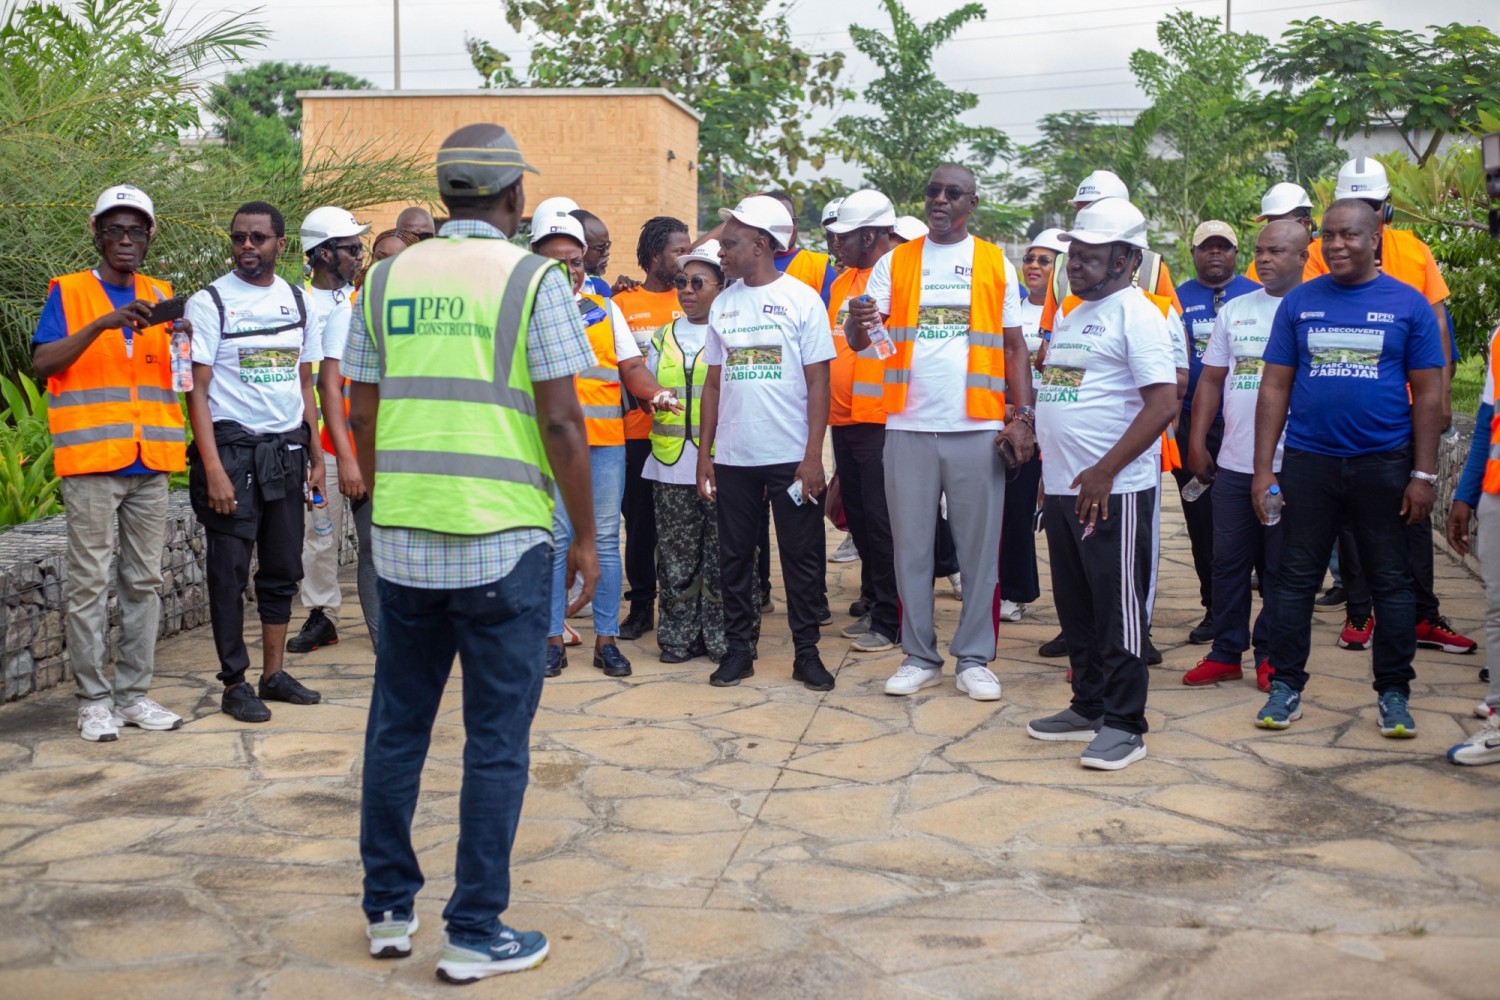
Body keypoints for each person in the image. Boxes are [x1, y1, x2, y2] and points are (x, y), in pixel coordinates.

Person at [348, 122, 598, 983]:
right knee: (495, 740)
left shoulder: (382, 279)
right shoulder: (534, 279)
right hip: (502, 540)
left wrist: (389, 505)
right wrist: (588, 535)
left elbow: (363, 415)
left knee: (397, 727)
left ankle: (387, 910)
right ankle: (475, 929)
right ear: (515, 199)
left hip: (404, 543)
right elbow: (565, 420)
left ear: (447, 192)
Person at [1251, 199, 1445, 738]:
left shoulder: (1409, 306)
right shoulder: (1300, 303)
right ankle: (1286, 688)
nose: (1336, 245)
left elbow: (1430, 395)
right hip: (1310, 464)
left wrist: (1423, 475)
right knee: (1293, 580)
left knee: (1391, 581)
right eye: (1329, 236)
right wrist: (1264, 469)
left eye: (1350, 235)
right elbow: (1274, 385)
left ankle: (1394, 693)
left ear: (1376, 238)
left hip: (1384, 465)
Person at [845, 164, 1035, 703]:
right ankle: (919, 655)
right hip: (907, 423)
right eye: (933, 192)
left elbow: (1015, 346)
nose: (941, 200)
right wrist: (859, 321)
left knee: (979, 551)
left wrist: (1021, 415)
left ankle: (974, 657)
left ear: (972, 203)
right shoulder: (896, 261)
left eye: (953, 193)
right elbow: (867, 344)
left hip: (976, 426)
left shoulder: (993, 261)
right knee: (910, 550)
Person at [1026, 198, 1180, 770]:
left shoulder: (1136, 314)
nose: (1076, 266)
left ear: (1126, 258)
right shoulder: (1071, 312)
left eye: (1090, 257)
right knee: (1077, 607)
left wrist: (1106, 470)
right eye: (1075, 256)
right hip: (1066, 486)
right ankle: (1087, 704)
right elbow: (1063, 394)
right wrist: (1052, 471)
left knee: (1118, 609)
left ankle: (1125, 723)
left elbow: (1164, 403)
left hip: (1112, 491)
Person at [33, 184, 187, 742]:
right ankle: (94, 700)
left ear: (149, 237)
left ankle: (133, 695)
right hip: (94, 461)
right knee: (89, 584)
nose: (126, 239)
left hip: (150, 461)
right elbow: (42, 363)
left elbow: (177, 375)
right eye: (115, 230)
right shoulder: (70, 293)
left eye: (136, 230)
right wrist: (101, 324)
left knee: (144, 581)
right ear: (97, 235)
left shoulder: (162, 294)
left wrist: (183, 340)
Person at [1310, 158, 1473, 656]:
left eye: (1372, 207)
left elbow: (1439, 324)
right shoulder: (1322, 252)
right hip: (1350, 412)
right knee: (1351, 522)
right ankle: (1361, 614)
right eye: (1355, 206)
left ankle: (1423, 614)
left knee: (1412, 514)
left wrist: (1442, 395)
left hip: (1407, 411)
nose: (1366, 217)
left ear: (1387, 211)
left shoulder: (1415, 250)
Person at [185, 201, 326, 724]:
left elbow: (303, 381)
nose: (247, 246)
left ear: (280, 245)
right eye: (239, 237)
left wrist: (314, 454)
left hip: (287, 452)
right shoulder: (210, 302)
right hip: (233, 453)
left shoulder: (297, 300)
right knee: (227, 572)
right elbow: (196, 393)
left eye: (259, 238)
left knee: (283, 567)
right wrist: (214, 469)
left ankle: (272, 674)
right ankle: (234, 682)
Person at [697, 195, 837, 691]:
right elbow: (714, 383)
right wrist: (705, 456)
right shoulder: (725, 304)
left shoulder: (802, 300)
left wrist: (812, 457)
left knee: (801, 558)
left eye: (729, 243)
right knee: (735, 557)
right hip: (735, 457)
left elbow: (820, 382)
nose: (721, 252)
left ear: (760, 245)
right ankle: (740, 652)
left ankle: (807, 654)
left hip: (790, 459)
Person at [531, 214, 679, 680]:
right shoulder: (520, 311)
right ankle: (552, 640)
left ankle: (606, 641)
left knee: (606, 544)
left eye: (576, 263)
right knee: (555, 541)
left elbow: (630, 367)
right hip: (547, 448)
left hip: (604, 446)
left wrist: (654, 393)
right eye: (558, 264)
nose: (570, 272)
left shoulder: (603, 308)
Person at [1184, 220, 1308, 690]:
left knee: (1279, 567)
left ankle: (1271, 655)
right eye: (1260, 250)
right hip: (1234, 461)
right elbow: (1212, 379)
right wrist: (1197, 440)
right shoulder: (1236, 310)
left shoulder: (1312, 309)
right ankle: (1226, 651)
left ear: (1302, 257)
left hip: (1291, 464)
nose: (1264, 258)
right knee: (1228, 561)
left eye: (1276, 251)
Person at [644, 241, 737, 663]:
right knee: (676, 558)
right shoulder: (662, 337)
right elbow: (646, 389)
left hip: (721, 464)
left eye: (698, 282)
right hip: (669, 465)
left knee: (724, 556)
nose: (687, 290)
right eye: (681, 281)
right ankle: (678, 637)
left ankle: (722, 639)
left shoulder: (732, 334)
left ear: (721, 286)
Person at [288, 206, 369, 656]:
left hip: (370, 438)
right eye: (351, 248)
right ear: (321, 253)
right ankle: (322, 615)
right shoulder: (296, 303)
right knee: (319, 534)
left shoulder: (367, 299)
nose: (359, 256)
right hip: (320, 444)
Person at [1174, 220, 1261, 644]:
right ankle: (1215, 607)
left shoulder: (1257, 295)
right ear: (1193, 253)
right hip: (1196, 426)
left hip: (1250, 426)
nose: (1215, 254)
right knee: (1203, 524)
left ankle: (1269, 609)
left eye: (1223, 247)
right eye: (1206, 247)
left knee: (1262, 523)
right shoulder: (1177, 297)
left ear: (1235, 254)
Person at [824, 189, 902, 653]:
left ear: (870, 234)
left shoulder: (898, 276)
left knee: (882, 522)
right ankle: (873, 602)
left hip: (881, 419)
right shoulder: (843, 281)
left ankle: (892, 618)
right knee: (860, 521)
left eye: (843, 237)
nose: (836, 245)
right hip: (844, 418)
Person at [613, 216, 692, 640]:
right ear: (654, 255)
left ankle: (682, 606)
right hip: (637, 434)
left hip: (688, 435)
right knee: (640, 527)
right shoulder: (622, 303)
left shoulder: (695, 298)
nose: (686, 256)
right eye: (679, 249)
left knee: (680, 527)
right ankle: (641, 605)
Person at [1002, 228, 1068, 623]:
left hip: (1063, 422)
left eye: (1045, 260)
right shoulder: (1012, 312)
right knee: (1015, 507)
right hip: (1022, 422)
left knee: (1061, 514)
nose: (1033, 266)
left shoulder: (1071, 315)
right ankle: (1015, 591)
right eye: (1029, 258)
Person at [1444, 320, 1500, 766]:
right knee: (1499, 607)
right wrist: (1464, 496)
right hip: (1497, 493)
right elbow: (1485, 424)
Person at [1244, 183, 1316, 282]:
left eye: (1282, 224)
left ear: (1305, 223)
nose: (1274, 231)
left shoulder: (1324, 255)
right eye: (1271, 224)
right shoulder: (1259, 267)